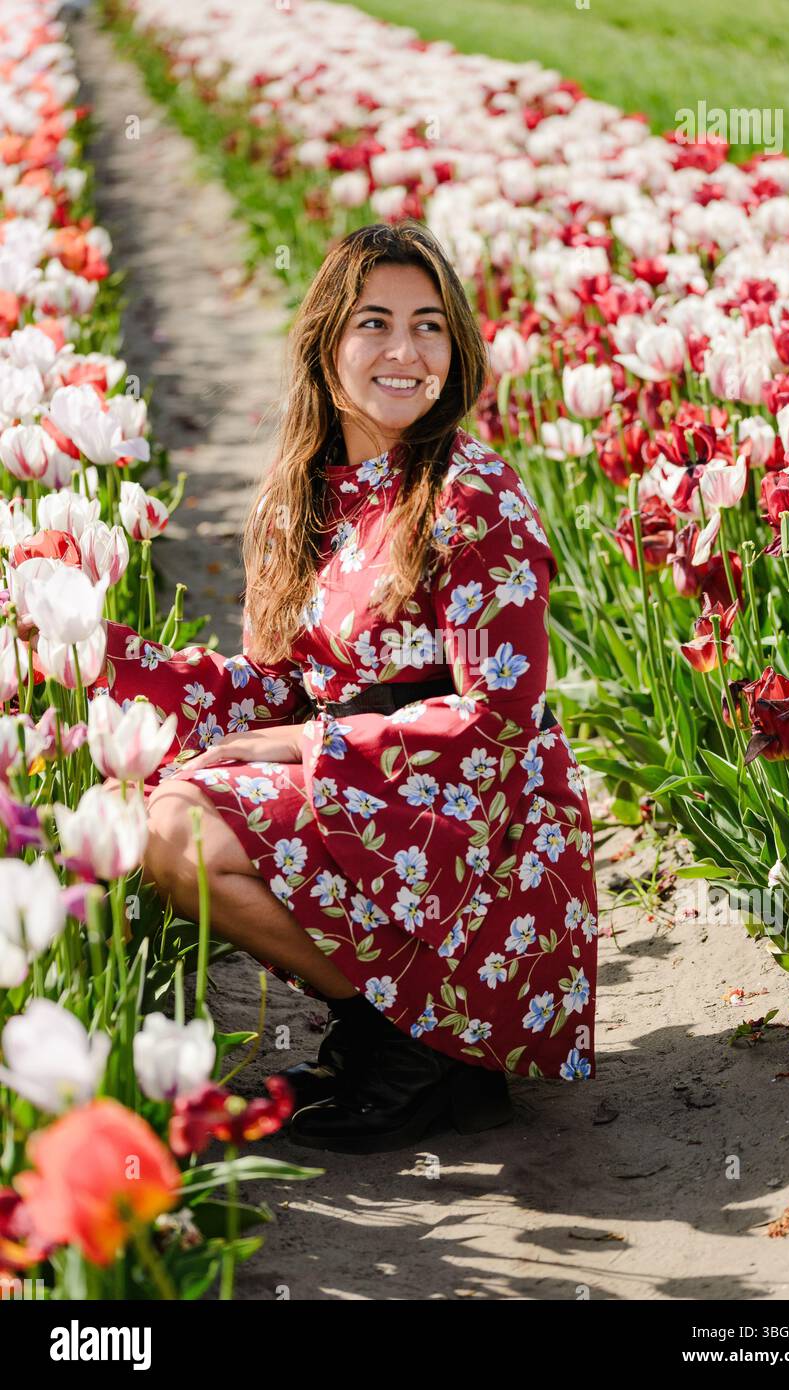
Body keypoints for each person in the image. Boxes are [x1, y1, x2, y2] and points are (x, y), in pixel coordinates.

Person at [92, 220, 598, 1155]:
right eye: (374, 323)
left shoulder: (469, 496)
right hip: (369, 790)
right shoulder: (302, 499)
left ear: (458, 349)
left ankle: (421, 1043)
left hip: (477, 815)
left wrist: (304, 745)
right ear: (326, 343)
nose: (404, 351)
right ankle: (402, 1039)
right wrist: (93, 648)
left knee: (179, 826)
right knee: (155, 819)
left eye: (429, 325)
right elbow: (273, 682)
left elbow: (500, 717)